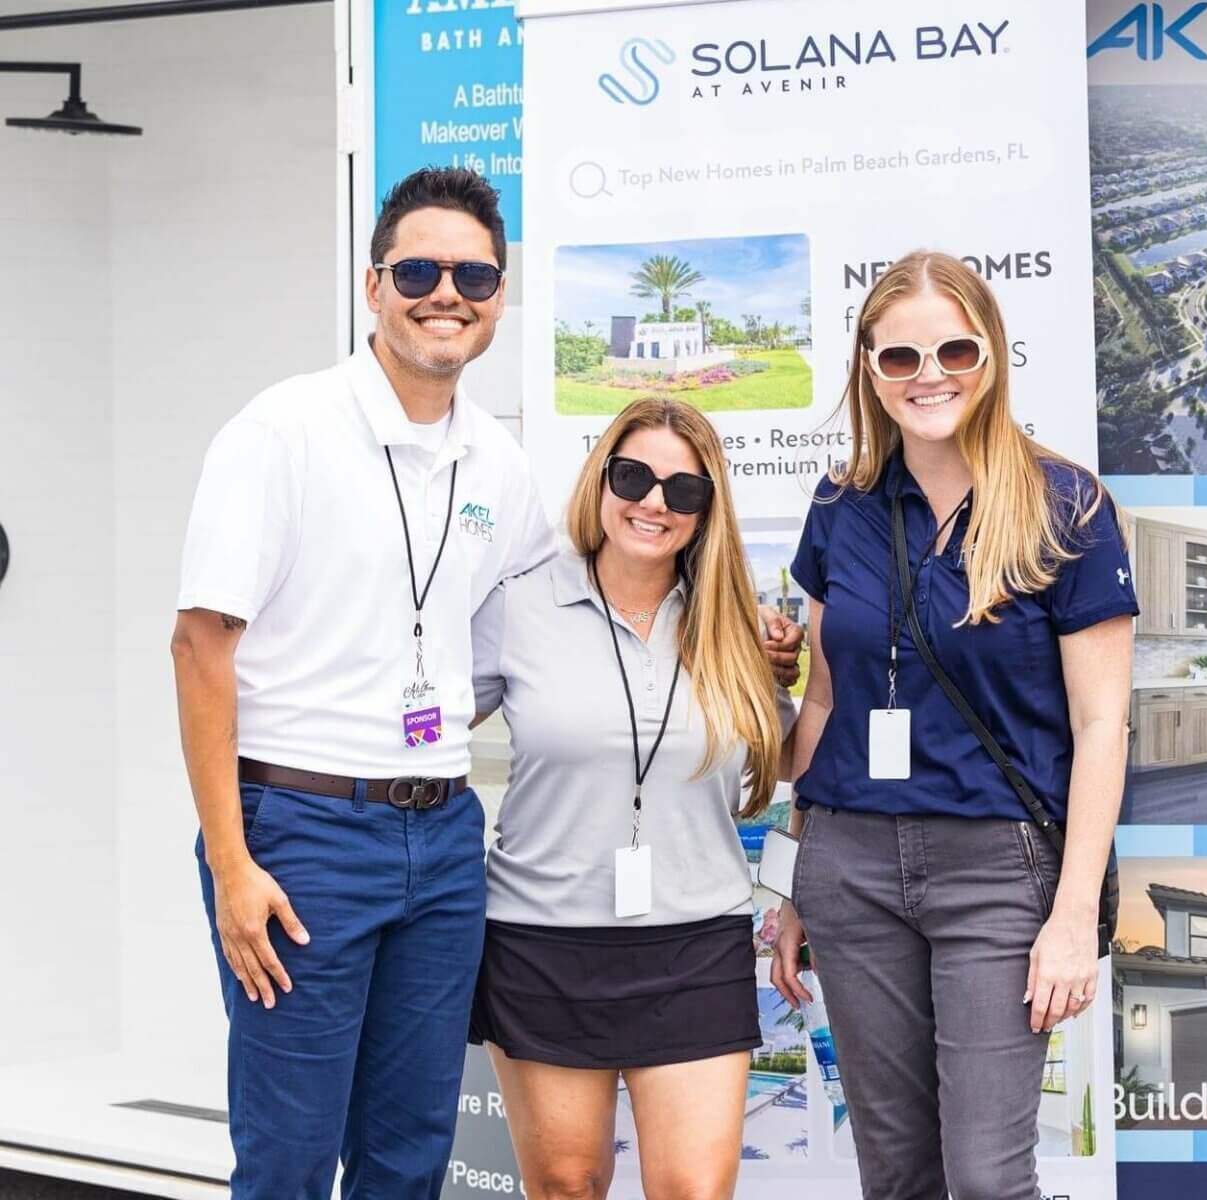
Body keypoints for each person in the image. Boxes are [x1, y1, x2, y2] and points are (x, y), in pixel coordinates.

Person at [172, 167, 803, 1199]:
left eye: (472, 274)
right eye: (417, 269)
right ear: (374, 285)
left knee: (411, 1151)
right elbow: (199, 646)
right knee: (289, 1156)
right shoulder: (281, 433)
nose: (445, 292)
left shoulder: (496, 464)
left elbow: (568, 625)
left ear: (500, 296)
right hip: (303, 828)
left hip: (445, 840)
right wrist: (234, 863)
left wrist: (744, 635)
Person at [770, 250, 1136, 1200]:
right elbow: (822, 703)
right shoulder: (837, 506)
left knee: (984, 1178)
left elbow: (1102, 728)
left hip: (996, 874)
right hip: (848, 867)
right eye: (899, 358)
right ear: (867, 368)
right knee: (895, 1174)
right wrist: (791, 880)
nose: (927, 376)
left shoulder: (1069, 506)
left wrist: (1068, 918)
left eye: (953, 350)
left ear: (993, 355)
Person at [468, 397, 798, 1200]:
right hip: (541, 940)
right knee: (568, 1184)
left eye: (682, 491)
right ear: (600, 479)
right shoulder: (517, 604)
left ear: (704, 511)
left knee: (691, 1190)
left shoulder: (734, 627)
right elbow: (419, 727)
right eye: (633, 477)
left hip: (695, 942)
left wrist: (791, 672)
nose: (653, 503)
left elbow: (790, 763)